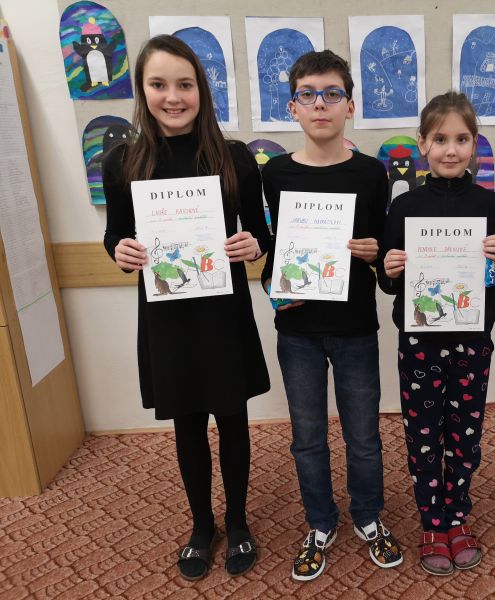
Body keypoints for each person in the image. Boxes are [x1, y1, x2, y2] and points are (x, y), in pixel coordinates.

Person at [103, 35, 270, 580]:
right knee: (188, 423)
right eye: (159, 84)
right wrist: (120, 251)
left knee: (232, 418)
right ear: (142, 90)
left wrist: (252, 245)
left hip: (222, 311)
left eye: (184, 84)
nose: (172, 97)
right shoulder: (122, 162)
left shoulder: (234, 157)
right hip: (168, 315)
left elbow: (261, 234)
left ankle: (238, 522)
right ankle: (202, 526)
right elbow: (115, 236)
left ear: (202, 90)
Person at [259, 50, 402, 582]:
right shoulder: (274, 174)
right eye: (308, 94)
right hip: (297, 329)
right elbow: (273, 251)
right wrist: (274, 288)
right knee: (307, 437)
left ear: (350, 106)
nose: (320, 104)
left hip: (355, 325)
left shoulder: (371, 173)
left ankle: (368, 515)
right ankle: (320, 522)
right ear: (292, 107)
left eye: (332, 94)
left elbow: (384, 250)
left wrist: (374, 253)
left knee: (363, 435)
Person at [380, 91, 495, 575]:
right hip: (419, 343)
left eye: (461, 139)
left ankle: (457, 515)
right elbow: (388, 282)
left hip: (472, 341)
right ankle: (431, 522)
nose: (450, 149)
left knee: (464, 434)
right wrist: (390, 268)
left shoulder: (491, 206)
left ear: (474, 144)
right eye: (440, 139)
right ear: (423, 143)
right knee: (422, 434)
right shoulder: (404, 208)